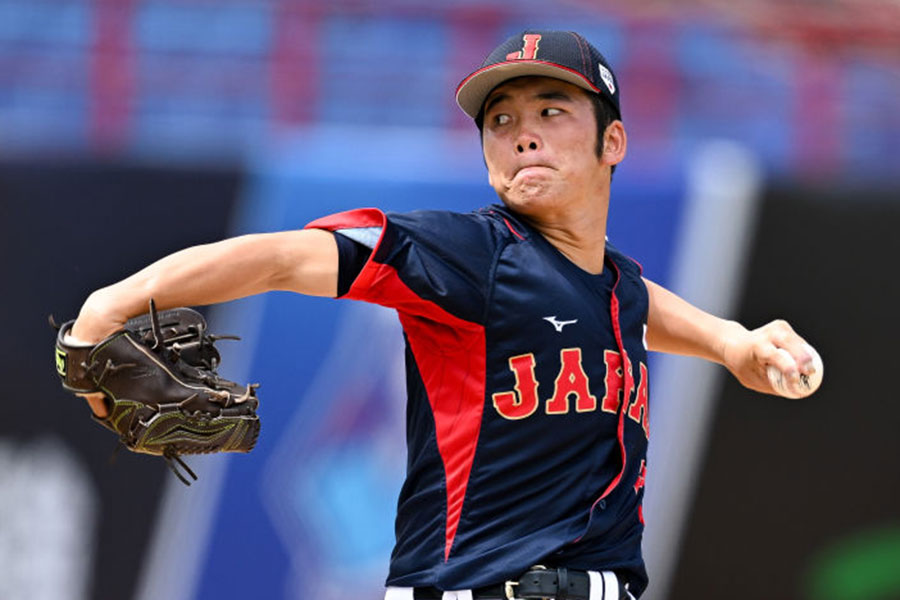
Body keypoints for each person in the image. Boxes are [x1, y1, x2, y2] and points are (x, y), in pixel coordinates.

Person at [68, 30, 818, 600]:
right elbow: (284, 257)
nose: (521, 131)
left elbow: (633, 304)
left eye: (551, 111)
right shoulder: (465, 254)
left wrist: (731, 342)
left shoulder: (612, 281)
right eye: (500, 120)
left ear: (611, 141)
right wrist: (116, 301)